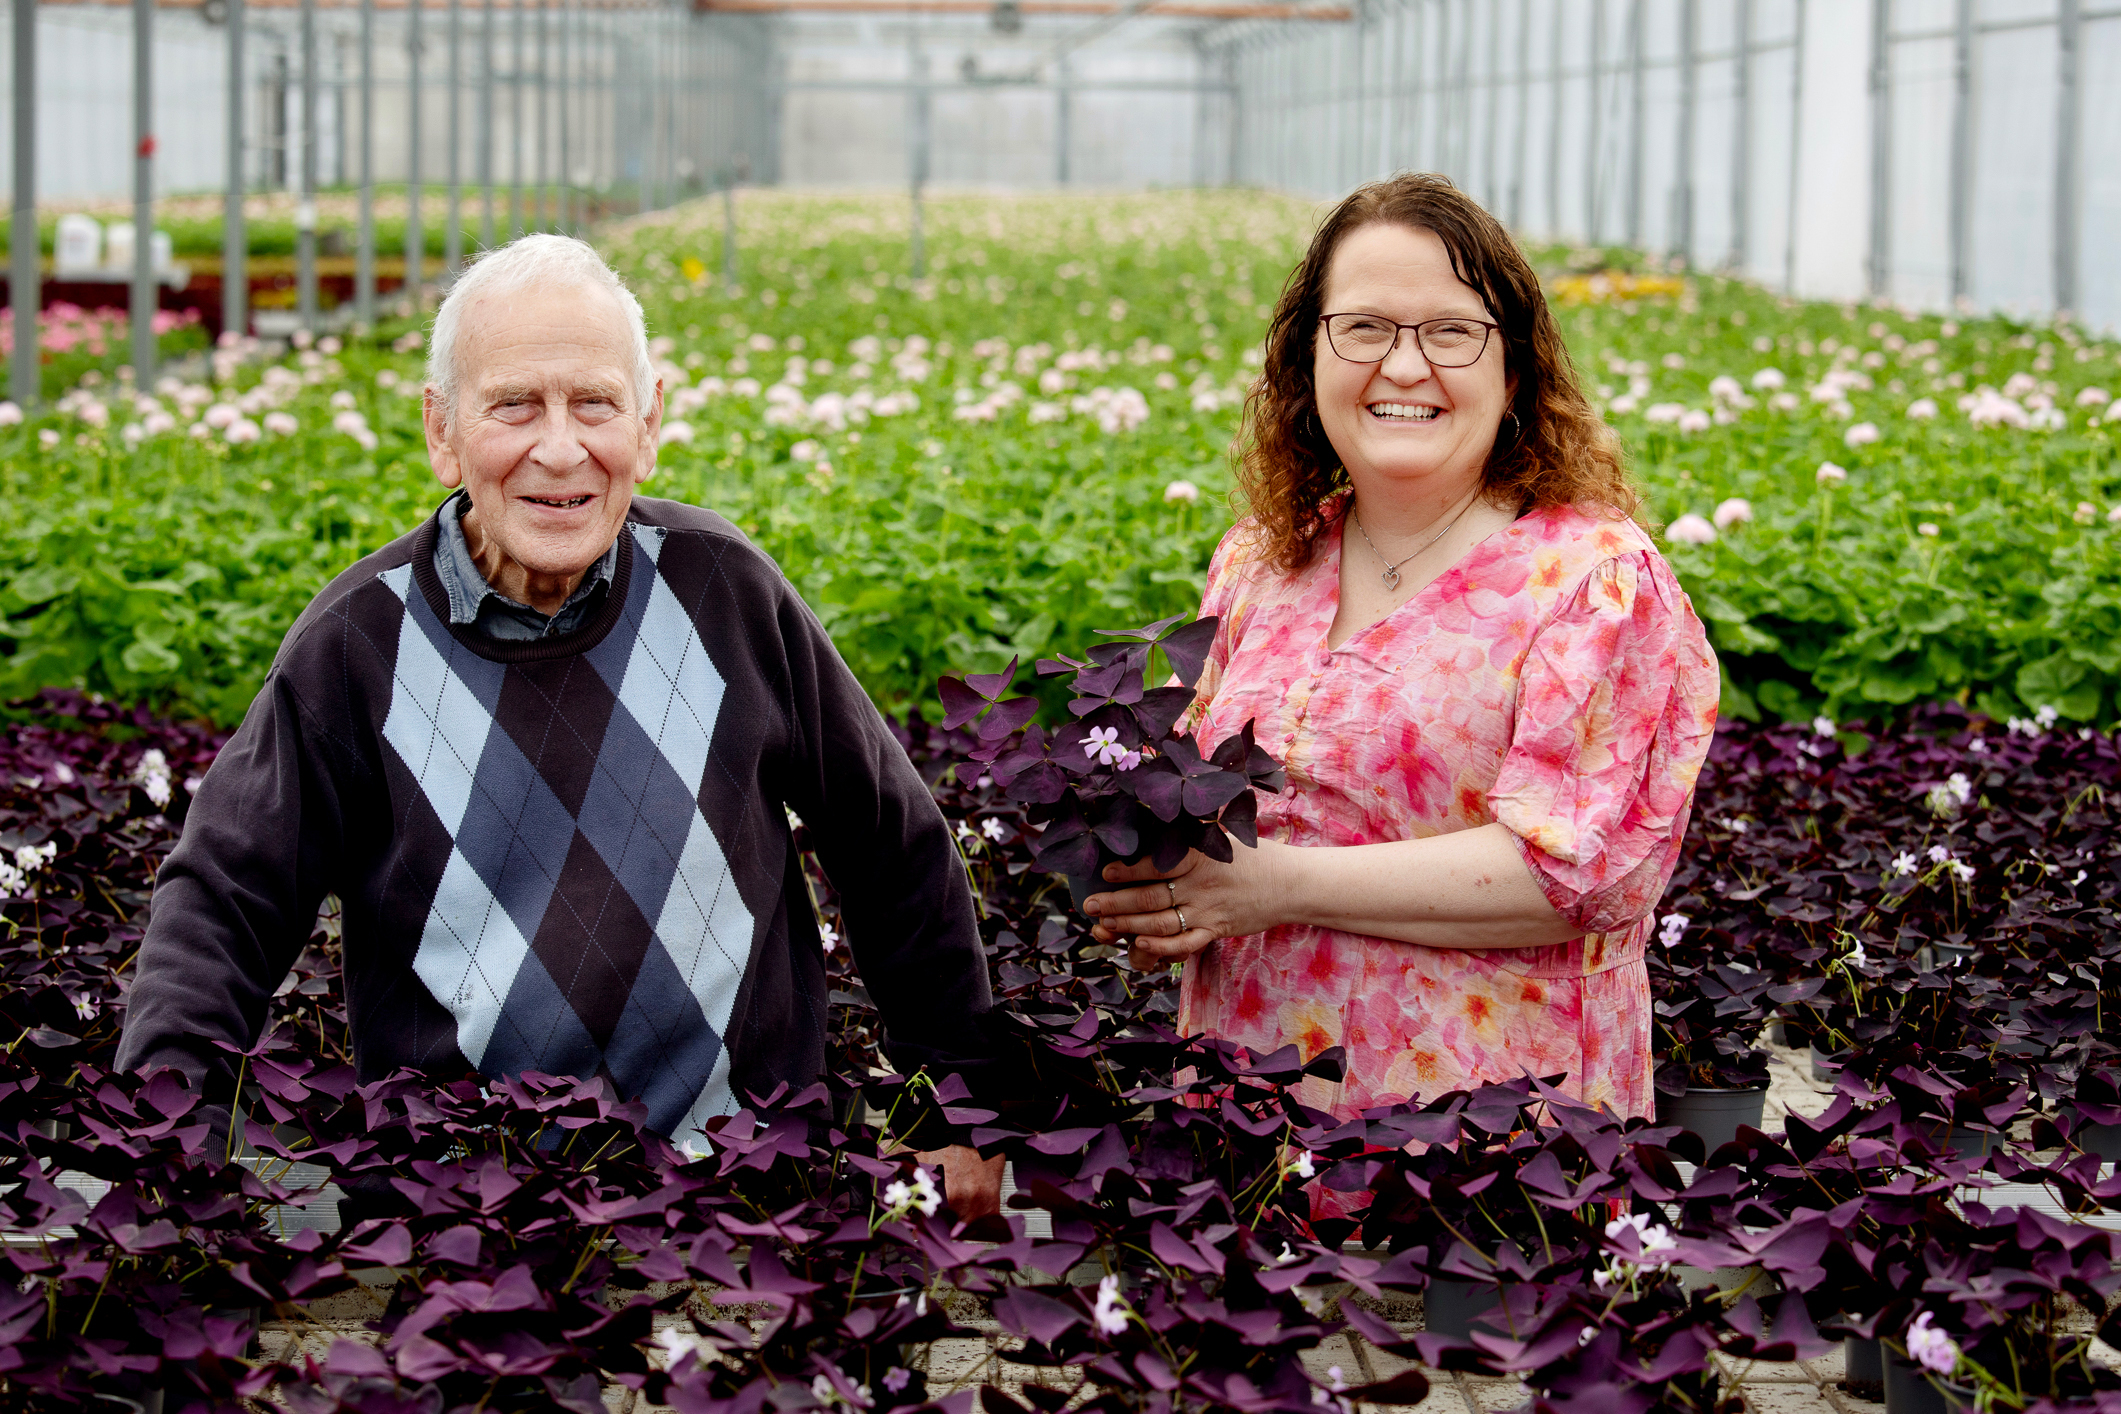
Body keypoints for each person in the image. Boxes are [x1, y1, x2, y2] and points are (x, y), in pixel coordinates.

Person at [116, 234, 1003, 1217]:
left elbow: (892, 842)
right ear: (442, 432)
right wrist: (166, 1153)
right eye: (513, 405)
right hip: (471, 1229)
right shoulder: (358, 643)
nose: (560, 448)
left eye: (594, 403)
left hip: (751, 1203)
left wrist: (959, 1100)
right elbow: (222, 903)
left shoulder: (724, 591)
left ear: (650, 421)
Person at [1084, 174, 1718, 1124]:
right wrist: (1165, 890)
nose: (1404, 367)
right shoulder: (1262, 564)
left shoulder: (1591, 582)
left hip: (1489, 1139)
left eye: (1451, 331)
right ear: (1307, 357)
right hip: (1247, 1127)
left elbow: (1581, 875)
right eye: (1364, 327)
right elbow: (1204, 808)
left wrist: (1271, 888)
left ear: (1515, 370)